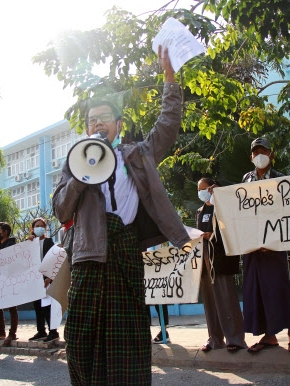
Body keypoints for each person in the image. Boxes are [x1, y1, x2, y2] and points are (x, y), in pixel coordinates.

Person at [52, 46, 189, 385]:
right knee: (82, 342)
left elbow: (168, 126)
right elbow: (60, 210)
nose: (97, 124)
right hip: (87, 259)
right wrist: (81, 177)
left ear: (118, 125)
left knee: (128, 339)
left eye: (104, 119)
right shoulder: (74, 162)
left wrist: (169, 78)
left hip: (126, 255)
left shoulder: (137, 155)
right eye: (91, 121)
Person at [240, 137, 290, 354]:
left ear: (271, 154)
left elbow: (287, 214)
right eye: (255, 152)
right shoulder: (245, 179)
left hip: (274, 246)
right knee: (256, 290)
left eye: (263, 151)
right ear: (251, 156)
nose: (259, 155)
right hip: (252, 247)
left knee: (280, 289)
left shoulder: (281, 179)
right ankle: (269, 336)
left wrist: (273, 240)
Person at [196, 177, 247, 353]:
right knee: (210, 302)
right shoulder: (200, 211)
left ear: (213, 188)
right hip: (205, 262)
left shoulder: (224, 206)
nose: (202, 191)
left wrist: (213, 236)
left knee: (227, 299)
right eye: (199, 189)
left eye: (205, 187)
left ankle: (235, 339)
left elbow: (231, 228)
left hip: (221, 260)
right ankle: (215, 339)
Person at [27, 217, 59, 343]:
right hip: (34, 279)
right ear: (32, 228)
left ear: (45, 229)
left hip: (45, 278)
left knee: (47, 306)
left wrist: (49, 277)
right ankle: (41, 331)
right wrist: (28, 242)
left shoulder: (48, 242)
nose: (39, 228)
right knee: (37, 306)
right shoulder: (29, 243)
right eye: (37, 226)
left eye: (42, 226)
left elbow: (53, 260)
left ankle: (53, 331)